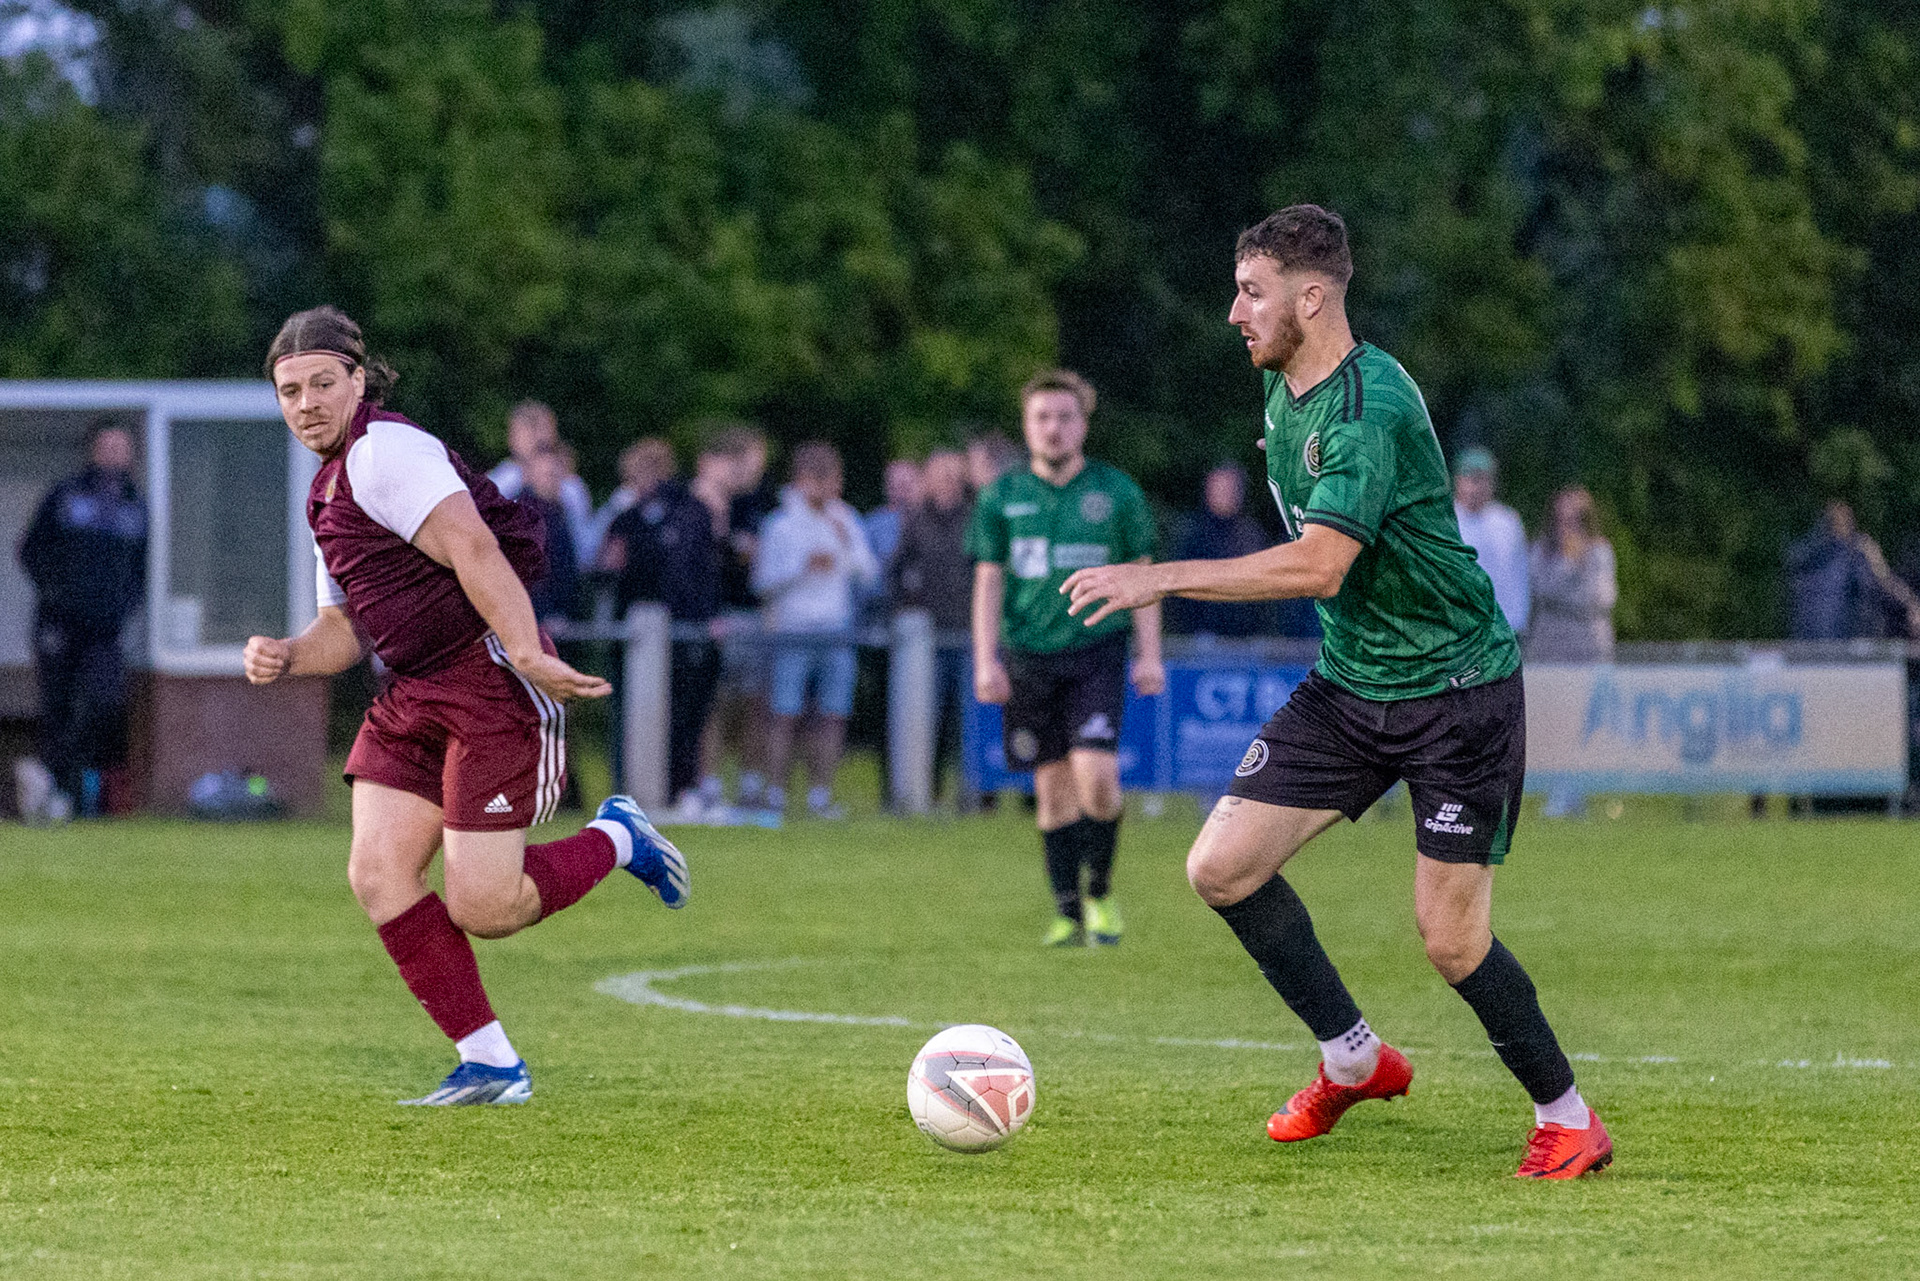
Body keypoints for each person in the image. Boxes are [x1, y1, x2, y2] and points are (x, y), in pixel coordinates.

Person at [1060, 206, 1609, 1179]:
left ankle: (1569, 1117)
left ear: (1311, 298)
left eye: (1252, 293)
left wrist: (1158, 577)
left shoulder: (1367, 408)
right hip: (1353, 685)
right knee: (1221, 867)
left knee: (1451, 941)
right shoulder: (1284, 393)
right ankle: (1353, 1058)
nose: (1235, 313)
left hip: (1455, 692)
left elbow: (1319, 565)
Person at [244, 305, 689, 1107]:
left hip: (484, 677)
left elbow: (474, 547)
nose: (305, 403)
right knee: (378, 872)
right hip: (412, 691)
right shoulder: (327, 489)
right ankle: (490, 1063)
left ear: (358, 380)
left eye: (321, 383)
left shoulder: (386, 452)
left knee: (486, 905)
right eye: (289, 391)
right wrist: (287, 655)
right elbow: (343, 628)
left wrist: (525, 649)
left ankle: (618, 836)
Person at [969, 369, 1164, 948]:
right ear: (1026, 425)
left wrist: (1150, 655)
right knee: (1052, 789)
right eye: (1041, 417)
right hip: (1028, 655)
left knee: (1097, 777)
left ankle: (1100, 891)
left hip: (1096, 650)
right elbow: (988, 581)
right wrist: (985, 660)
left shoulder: (1117, 492)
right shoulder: (1001, 497)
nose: (1052, 428)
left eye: (1064, 417)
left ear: (1083, 423)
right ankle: (1067, 913)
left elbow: (1145, 576)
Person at [16, 419, 148, 822]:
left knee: (103, 703)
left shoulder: (135, 505)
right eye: (107, 446)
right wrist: (57, 594)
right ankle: (54, 797)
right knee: (57, 707)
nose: (114, 454)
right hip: (59, 625)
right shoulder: (66, 495)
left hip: (106, 630)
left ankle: (83, 791)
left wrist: (125, 606)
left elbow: (141, 568)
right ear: (93, 450)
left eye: (121, 447)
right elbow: (30, 550)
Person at [752, 441, 880, 819]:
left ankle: (820, 796)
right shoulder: (781, 524)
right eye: (818, 479)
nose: (826, 488)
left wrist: (844, 542)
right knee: (784, 713)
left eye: (831, 479)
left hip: (836, 629)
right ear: (802, 480)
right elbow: (762, 583)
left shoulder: (846, 519)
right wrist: (801, 568)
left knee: (833, 714)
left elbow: (869, 573)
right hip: (792, 629)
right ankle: (776, 794)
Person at [603, 437, 726, 819]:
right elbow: (609, 567)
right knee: (636, 715)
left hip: (682, 633)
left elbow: (701, 570)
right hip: (640, 632)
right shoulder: (627, 517)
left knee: (685, 715)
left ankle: (680, 789)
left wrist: (704, 615)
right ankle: (635, 789)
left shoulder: (688, 512)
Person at [891, 448, 977, 809]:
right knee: (925, 717)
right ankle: (924, 792)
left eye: (953, 477)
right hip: (926, 637)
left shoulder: (975, 518)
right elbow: (896, 569)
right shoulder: (915, 520)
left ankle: (971, 794)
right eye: (940, 477)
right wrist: (903, 609)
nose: (946, 484)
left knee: (969, 720)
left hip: (968, 633)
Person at [1527, 487, 1617, 815]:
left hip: (1588, 649)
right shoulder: (1542, 551)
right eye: (1563, 519)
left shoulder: (1600, 551)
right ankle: (1559, 792)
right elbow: (1539, 588)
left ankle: (1573, 794)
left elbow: (1601, 598)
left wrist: (1568, 587)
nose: (1569, 526)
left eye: (1577, 519)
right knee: (1555, 723)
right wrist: (1568, 566)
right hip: (1551, 648)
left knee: (1584, 724)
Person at [1166, 463, 1281, 638]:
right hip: (1199, 638)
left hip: (1247, 639)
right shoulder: (1191, 534)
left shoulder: (1251, 536)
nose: (1222, 494)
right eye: (1217, 488)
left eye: (1228, 488)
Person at [487, 401, 595, 570]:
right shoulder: (503, 480)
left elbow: (585, 551)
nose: (538, 437)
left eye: (542, 428)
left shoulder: (570, 488)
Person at [1452, 447, 1530, 639]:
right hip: (1460, 625)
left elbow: (1520, 572)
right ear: (1458, 481)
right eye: (1471, 479)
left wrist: (1520, 619)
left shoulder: (1508, 521)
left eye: (1483, 480)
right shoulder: (1447, 520)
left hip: (1504, 625)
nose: (1476, 488)